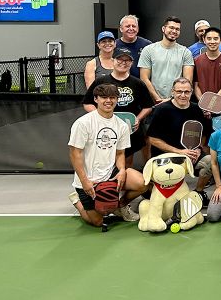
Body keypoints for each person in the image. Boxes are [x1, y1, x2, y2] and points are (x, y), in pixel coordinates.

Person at [68, 83, 146, 226]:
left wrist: (122, 170)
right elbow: (75, 154)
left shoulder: (121, 125)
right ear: (96, 99)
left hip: (111, 173)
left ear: (117, 99)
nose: (108, 101)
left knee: (142, 183)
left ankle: (119, 206)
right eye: (104, 97)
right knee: (97, 221)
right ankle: (77, 201)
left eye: (112, 97)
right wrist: (84, 181)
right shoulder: (83, 123)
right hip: (88, 179)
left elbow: (120, 153)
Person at [82, 48, 154, 168]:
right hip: (105, 129)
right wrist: (101, 117)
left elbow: (148, 106)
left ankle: (124, 184)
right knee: (104, 159)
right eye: (120, 59)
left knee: (127, 161)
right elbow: (87, 103)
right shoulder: (101, 81)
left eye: (127, 60)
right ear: (113, 60)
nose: (123, 63)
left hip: (129, 129)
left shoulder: (138, 83)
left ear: (131, 63)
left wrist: (138, 119)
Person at [146, 78, 211, 159]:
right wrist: (179, 152)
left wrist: (198, 150)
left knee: (209, 162)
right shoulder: (162, 110)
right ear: (173, 91)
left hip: (192, 155)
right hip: (167, 156)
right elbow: (152, 139)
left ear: (191, 92)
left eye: (187, 92)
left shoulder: (197, 109)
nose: (183, 95)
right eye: (179, 91)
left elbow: (202, 135)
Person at [138, 16, 194, 103]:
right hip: (154, 101)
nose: (174, 31)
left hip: (177, 102)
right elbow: (144, 78)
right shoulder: (148, 50)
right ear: (163, 29)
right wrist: (157, 99)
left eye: (177, 29)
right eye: (171, 28)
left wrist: (171, 99)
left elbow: (187, 81)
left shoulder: (185, 52)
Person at [193, 27, 221, 100]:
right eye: (209, 39)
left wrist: (213, 102)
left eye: (216, 39)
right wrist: (203, 103)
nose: (212, 42)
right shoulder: (197, 61)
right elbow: (195, 86)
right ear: (204, 40)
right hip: (202, 106)